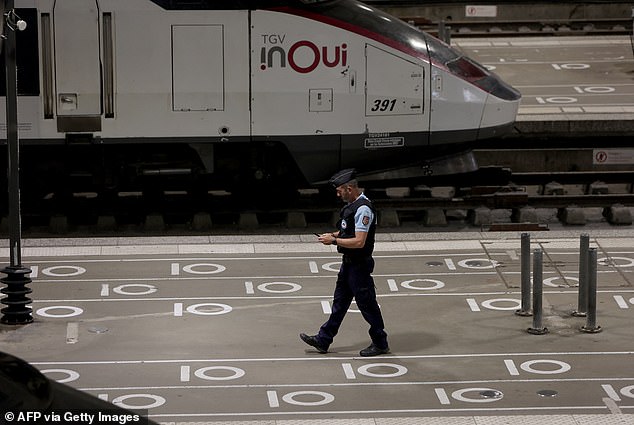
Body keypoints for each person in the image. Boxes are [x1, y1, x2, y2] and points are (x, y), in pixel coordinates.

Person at [300, 168, 389, 357]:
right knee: (340, 303)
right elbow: (348, 231)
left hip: (359, 265)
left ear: (349, 188)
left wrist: (333, 241)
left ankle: (380, 342)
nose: (338, 194)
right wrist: (332, 234)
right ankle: (323, 340)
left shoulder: (363, 209)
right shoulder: (353, 207)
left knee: (367, 305)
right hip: (349, 264)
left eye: (340, 191)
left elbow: (359, 241)